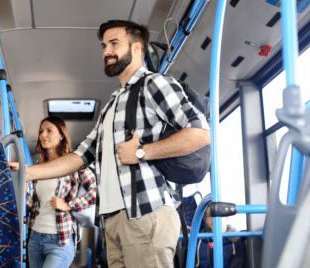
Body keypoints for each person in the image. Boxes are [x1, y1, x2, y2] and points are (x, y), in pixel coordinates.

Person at [11, 20, 210, 268]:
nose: (106, 51)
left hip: (145, 213)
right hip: (113, 221)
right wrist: (27, 173)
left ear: (137, 48)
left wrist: (141, 152)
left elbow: (200, 133)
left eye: (114, 43)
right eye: (104, 45)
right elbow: (81, 156)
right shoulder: (112, 104)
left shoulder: (154, 84)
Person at [25, 115, 96, 268]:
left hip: (60, 240)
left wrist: (69, 205)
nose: (43, 135)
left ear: (62, 135)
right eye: (41, 131)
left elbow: (95, 191)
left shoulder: (73, 163)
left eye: (49, 131)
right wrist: (25, 193)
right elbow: (34, 206)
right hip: (35, 238)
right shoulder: (39, 167)